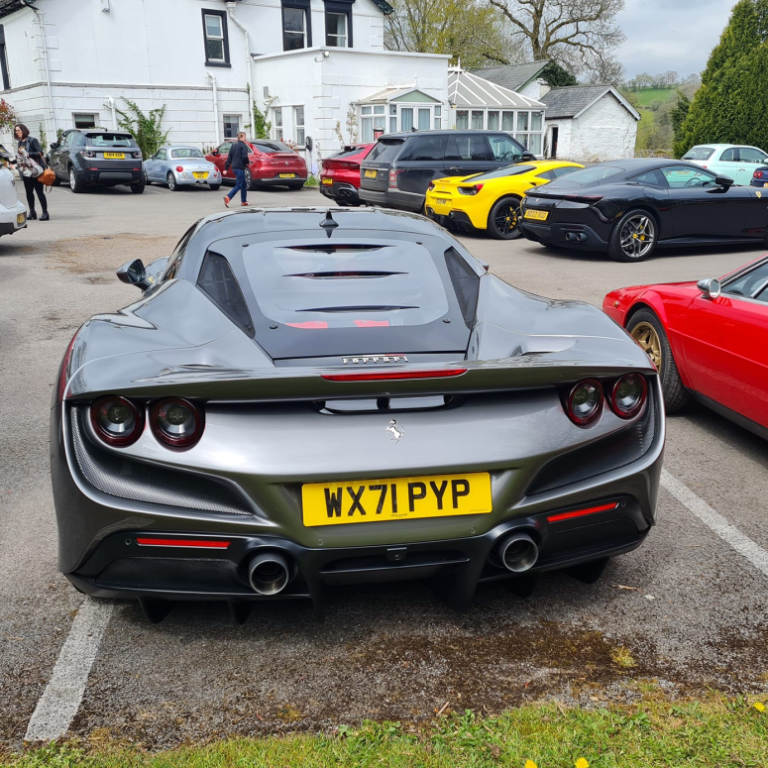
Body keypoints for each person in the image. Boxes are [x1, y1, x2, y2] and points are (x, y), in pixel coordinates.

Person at [14, 124, 49, 221]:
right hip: (26, 171)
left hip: (36, 171)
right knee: (29, 193)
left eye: (18, 130)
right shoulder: (20, 142)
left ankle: (45, 213)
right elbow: (21, 156)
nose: (17, 132)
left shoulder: (32, 140)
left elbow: (40, 153)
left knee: (39, 192)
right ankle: (32, 212)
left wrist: (29, 154)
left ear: (23, 130)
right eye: (16, 131)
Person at [223, 131, 250, 208]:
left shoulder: (234, 145)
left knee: (244, 184)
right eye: (244, 137)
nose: (246, 138)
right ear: (241, 137)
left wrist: (226, 168)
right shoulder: (243, 146)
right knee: (239, 185)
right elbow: (244, 157)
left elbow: (229, 157)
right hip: (240, 167)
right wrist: (247, 163)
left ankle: (244, 201)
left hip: (234, 167)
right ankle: (228, 197)